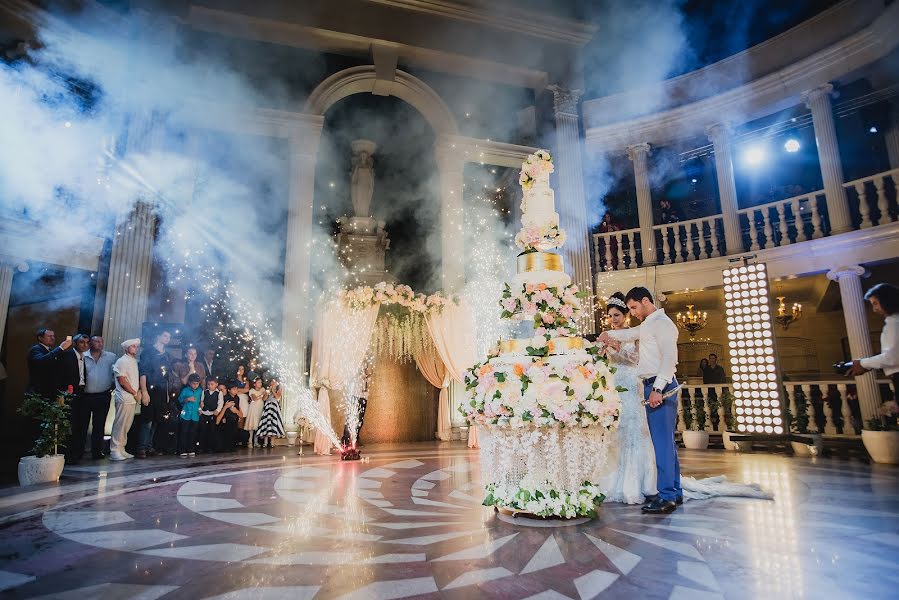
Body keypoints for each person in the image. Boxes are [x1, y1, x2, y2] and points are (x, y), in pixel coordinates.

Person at [599, 286, 682, 514]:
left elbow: (669, 361)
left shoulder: (663, 324)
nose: (632, 312)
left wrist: (657, 388)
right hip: (651, 386)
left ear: (645, 301)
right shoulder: (648, 325)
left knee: (663, 445)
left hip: (660, 386)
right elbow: (629, 334)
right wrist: (608, 336)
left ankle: (666, 497)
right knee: (665, 444)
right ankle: (675, 491)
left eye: (634, 307)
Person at [598, 292, 658, 504]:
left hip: (631, 384)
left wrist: (620, 349)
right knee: (615, 430)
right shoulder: (606, 334)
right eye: (611, 315)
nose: (614, 319)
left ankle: (638, 481)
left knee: (633, 428)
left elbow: (638, 360)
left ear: (625, 315)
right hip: (613, 385)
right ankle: (613, 477)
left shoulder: (634, 334)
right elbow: (600, 361)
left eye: (617, 315)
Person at [848, 283, 899, 395]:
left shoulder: (895, 323)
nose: (874, 309)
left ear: (887, 300)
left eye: (875, 303)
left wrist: (862, 363)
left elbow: (894, 357)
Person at [77, 336, 116, 459]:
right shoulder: (83, 356)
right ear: (90, 343)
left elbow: (117, 372)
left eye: (101, 341)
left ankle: (97, 451)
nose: (99, 343)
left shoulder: (111, 357)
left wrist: (113, 385)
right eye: (96, 341)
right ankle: (78, 452)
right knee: (81, 424)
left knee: (99, 425)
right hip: (85, 395)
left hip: (103, 394)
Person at [136, 330, 172, 458]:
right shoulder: (148, 352)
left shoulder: (167, 355)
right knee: (147, 419)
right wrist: (144, 391)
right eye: (165, 335)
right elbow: (143, 372)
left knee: (157, 419)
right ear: (158, 336)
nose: (167, 338)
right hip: (151, 389)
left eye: (169, 337)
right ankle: (141, 447)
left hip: (162, 391)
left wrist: (167, 393)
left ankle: (149, 446)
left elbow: (167, 376)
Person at [110, 338, 141, 461]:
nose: (135, 348)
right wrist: (134, 392)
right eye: (133, 346)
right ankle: (114, 450)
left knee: (126, 425)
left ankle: (121, 448)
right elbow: (122, 380)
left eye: (136, 346)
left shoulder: (133, 361)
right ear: (126, 348)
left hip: (131, 398)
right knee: (120, 424)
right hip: (124, 397)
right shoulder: (121, 361)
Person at [62, 334, 90, 464]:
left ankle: (77, 453)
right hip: (70, 392)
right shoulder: (68, 355)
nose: (85, 345)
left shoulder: (84, 357)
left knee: (81, 424)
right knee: (70, 423)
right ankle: (68, 454)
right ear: (75, 343)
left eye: (86, 342)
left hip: (82, 393)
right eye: (81, 342)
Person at [27, 328, 72, 398]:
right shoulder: (36, 349)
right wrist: (60, 348)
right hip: (38, 391)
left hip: (49, 390)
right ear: (40, 338)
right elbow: (41, 361)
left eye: (53, 336)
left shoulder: (49, 350)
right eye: (49, 336)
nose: (53, 338)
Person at [177, 373, 202, 456]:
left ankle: (191, 449)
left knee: (193, 433)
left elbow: (201, 402)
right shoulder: (185, 390)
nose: (195, 385)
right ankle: (182, 450)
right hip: (186, 414)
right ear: (189, 383)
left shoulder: (200, 391)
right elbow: (180, 400)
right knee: (184, 432)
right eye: (193, 383)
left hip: (195, 415)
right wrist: (187, 399)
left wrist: (200, 409)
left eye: (197, 384)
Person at [256, 378, 285, 449]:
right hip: (268, 407)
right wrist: (267, 393)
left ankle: (272, 442)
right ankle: (265, 442)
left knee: (274, 423)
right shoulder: (267, 390)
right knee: (267, 422)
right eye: (272, 381)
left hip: (274, 407)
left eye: (274, 382)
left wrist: (273, 391)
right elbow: (264, 399)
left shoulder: (279, 390)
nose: (273, 383)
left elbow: (278, 397)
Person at [216, 381, 244, 452]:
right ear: (229, 390)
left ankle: (233, 446)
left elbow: (237, 408)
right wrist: (224, 417)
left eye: (236, 389)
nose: (235, 390)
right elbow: (224, 408)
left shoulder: (237, 398)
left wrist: (237, 413)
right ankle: (227, 446)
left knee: (234, 432)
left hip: (235, 417)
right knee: (228, 432)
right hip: (228, 418)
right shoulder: (226, 398)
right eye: (233, 389)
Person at [198, 376, 223, 453]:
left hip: (212, 414)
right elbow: (201, 401)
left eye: (212, 384)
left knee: (212, 431)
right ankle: (201, 447)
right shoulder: (204, 392)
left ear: (216, 384)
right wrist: (200, 409)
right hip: (204, 413)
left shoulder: (219, 393)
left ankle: (210, 447)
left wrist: (218, 410)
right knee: (203, 430)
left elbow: (220, 403)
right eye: (208, 384)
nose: (210, 386)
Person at [245, 377, 266, 448]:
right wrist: (262, 394)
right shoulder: (252, 390)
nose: (260, 384)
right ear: (255, 384)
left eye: (261, 382)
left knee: (258, 424)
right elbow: (255, 398)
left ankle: (256, 442)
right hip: (254, 408)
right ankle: (250, 441)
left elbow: (264, 398)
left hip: (260, 407)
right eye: (259, 382)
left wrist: (266, 393)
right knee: (252, 424)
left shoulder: (263, 389)